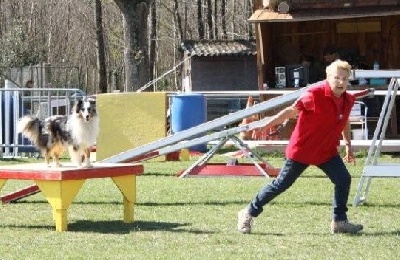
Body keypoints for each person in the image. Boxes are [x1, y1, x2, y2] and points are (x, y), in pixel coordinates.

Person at [237, 59, 363, 235]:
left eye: (344, 78)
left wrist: (348, 145)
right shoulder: (314, 94)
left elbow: (345, 121)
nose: (341, 82)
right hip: (301, 150)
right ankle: (248, 212)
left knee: (343, 179)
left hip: (326, 152)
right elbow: (290, 111)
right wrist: (265, 126)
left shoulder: (348, 99)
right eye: (337, 78)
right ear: (328, 78)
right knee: (280, 185)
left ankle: (339, 221)